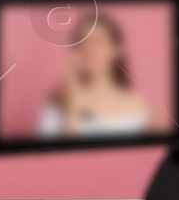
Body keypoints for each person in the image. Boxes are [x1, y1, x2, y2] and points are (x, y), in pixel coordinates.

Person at [37, 14, 167, 138]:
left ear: (116, 49)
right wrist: (72, 94)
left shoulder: (139, 105)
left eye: (98, 41)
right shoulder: (57, 102)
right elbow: (55, 156)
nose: (89, 49)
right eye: (82, 42)